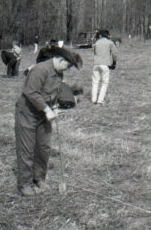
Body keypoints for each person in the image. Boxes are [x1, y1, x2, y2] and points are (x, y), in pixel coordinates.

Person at [14, 45, 82, 196]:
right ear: (58, 59)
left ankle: (39, 179)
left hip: (44, 114)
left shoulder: (59, 74)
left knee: (43, 147)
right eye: (67, 65)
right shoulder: (40, 69)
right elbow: (31, 92)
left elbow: (53, 92)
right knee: (27, 148)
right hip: (28, 112)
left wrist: (55, 106)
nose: (67, 69)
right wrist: (46, 109)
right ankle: (25, 184)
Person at [92, 30, 118, 105]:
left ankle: (94, 99)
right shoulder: (110, 42)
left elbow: (94, 52)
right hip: (105, 64)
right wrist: (114, 62)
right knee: (104, 82)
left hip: (96, 64)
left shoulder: (97, 42)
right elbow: (115, 53)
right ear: (107, 35)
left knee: (95, 82)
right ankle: (100, 100)